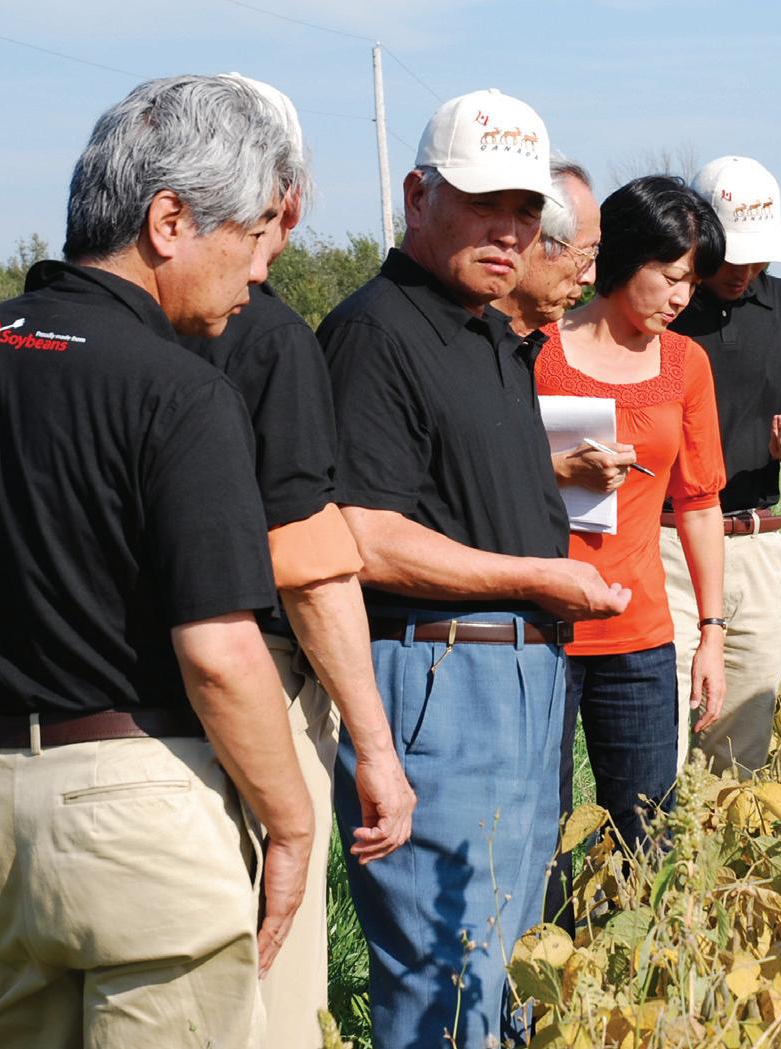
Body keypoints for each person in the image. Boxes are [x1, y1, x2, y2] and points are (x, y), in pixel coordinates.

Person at [0, 75, 313, 1047]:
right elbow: (219, 655)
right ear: (170, 221)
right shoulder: (182, 393)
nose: (255, 276)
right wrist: (290, 824)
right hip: (141, 817)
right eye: (250, 236)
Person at [318, 88, 629, 1048]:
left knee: (512, 956)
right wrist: (535, 578)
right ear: (417, 197)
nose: (508, 232)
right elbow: (364, 534)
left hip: (518, 672)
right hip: (437, 674)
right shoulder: (377, 332)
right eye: (483, 204)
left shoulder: (489, 333)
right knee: (448, 971)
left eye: (525, 211)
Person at [180, 74, 414, 1047]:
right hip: (254, 684)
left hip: (103, 713)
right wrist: (375, 747)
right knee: (273, 969)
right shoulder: (273, 340)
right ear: (289, 200)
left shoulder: (46, 336)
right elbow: (309, 567)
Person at [539, 175, 729, 871]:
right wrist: (559, 470)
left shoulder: (686, 364)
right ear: (623, 255)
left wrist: (710, 633)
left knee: (648, 836)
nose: (681, 298)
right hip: (540, 629)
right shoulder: (535, 349)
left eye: (692, 283)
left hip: (639, 633)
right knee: (541, 834)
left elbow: (699, 504)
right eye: (671, 277)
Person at [665, 155, 781, 775]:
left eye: (757, 257)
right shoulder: (664, 304)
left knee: (742, 747)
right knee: (661, 739)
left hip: (754, 545)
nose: (744, 270)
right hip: (665, 542)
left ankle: (723, 840)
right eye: (732, 255)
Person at [491, 157, 602, 337]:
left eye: (594, 254)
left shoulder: (534, 344)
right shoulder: (457, 343)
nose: (589, 277)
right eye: (584, 254)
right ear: (534, 238)